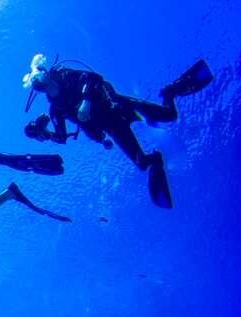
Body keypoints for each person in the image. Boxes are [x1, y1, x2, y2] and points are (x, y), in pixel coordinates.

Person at [21, 54, 213, 208]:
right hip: (111, 127)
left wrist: (86, 100)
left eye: (46, 82)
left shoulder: (66, 76)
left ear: (47, 76)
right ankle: (155, 160)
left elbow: (93, 77)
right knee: (142, 163)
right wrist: (45, 135)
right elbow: (62, 138)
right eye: (43, 88)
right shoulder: (56, 109)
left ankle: (169, 92)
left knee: (169, 114)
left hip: (117, 106)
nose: (50, 88)